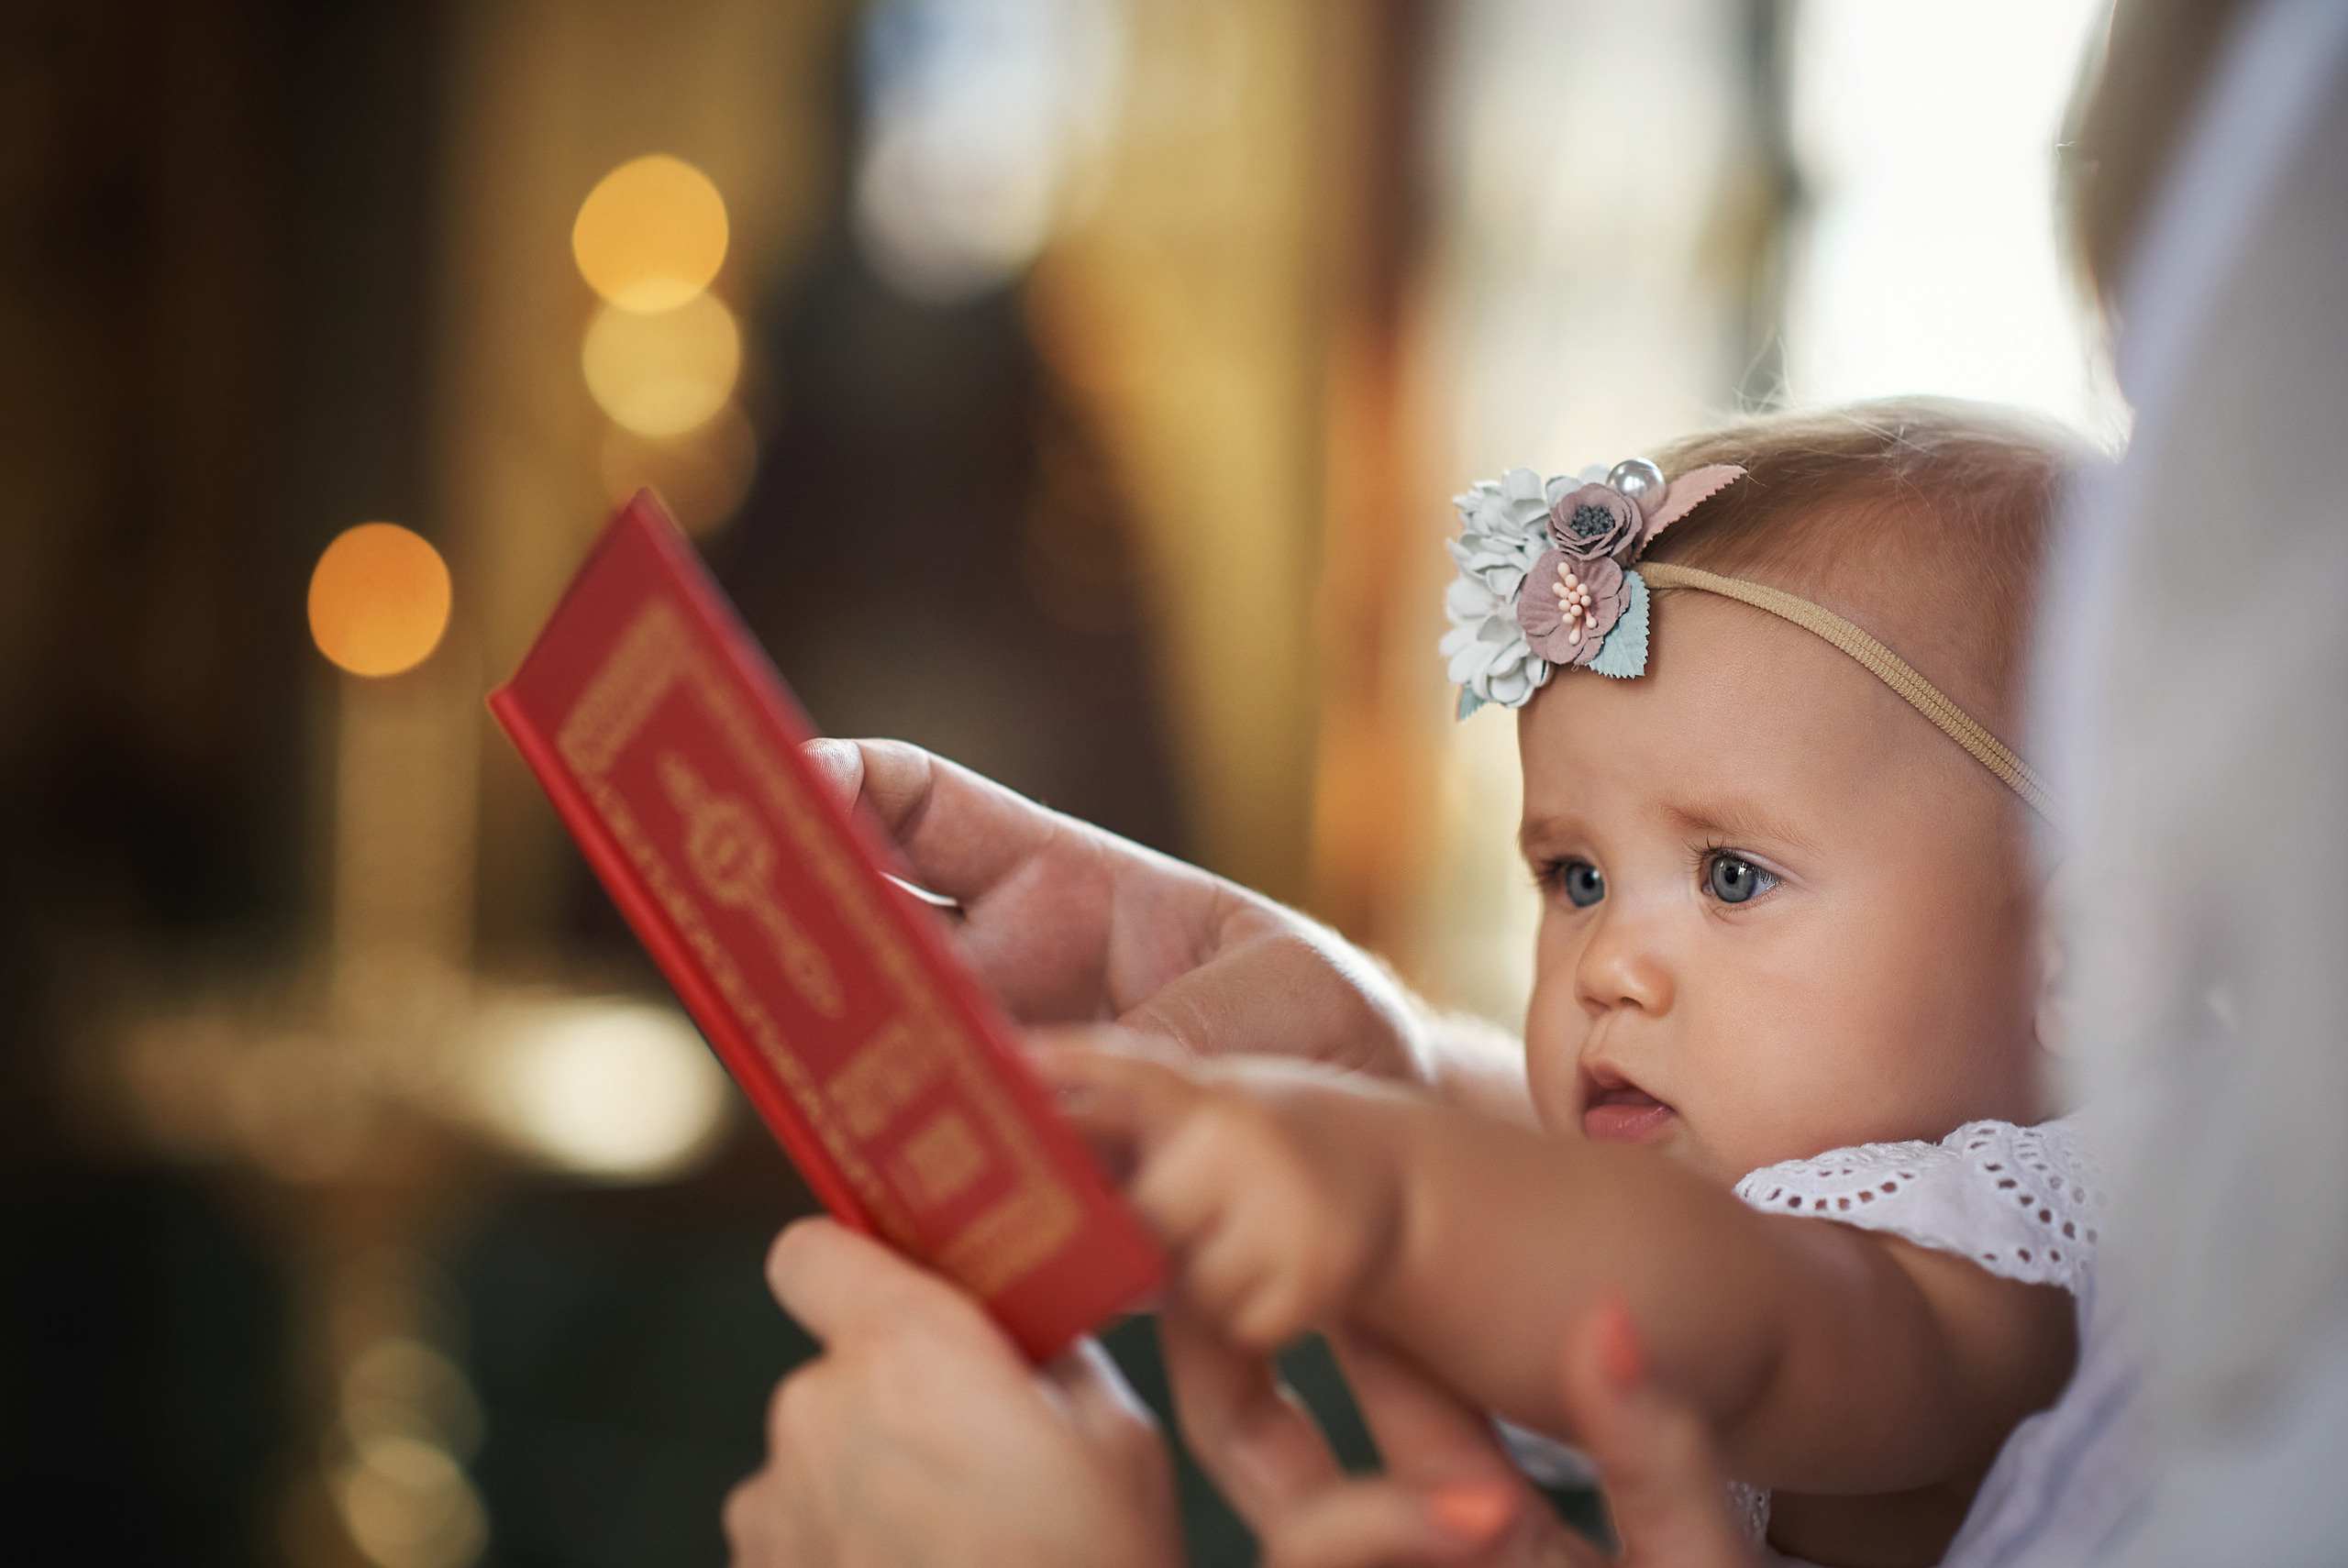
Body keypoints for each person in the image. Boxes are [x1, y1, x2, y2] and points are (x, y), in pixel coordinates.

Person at [1042, 401, 2102, 1568]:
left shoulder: (2014, 1261)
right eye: (1576, 877)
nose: (1607, 967)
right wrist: (1396, 1072)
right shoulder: (1714, 1194)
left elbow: (1751, 1316)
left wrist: (1390, 1197)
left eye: (1732, 876)